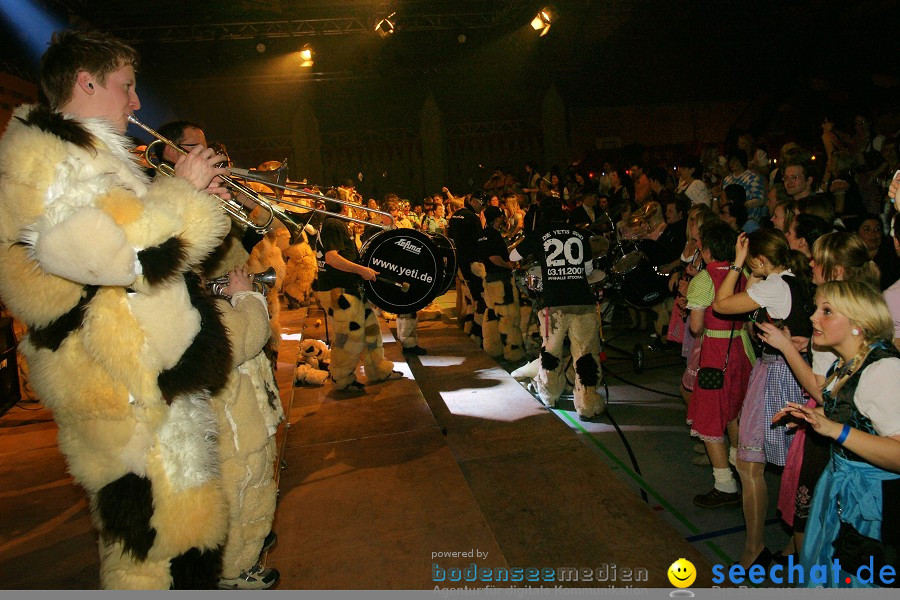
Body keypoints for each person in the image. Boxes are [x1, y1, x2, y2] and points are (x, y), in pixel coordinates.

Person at [0, 30, 233, 589]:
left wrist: (188, 198)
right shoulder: (48, 160)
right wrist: (184, 194)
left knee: (179, 534)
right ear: (86, 82)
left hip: (144, 383)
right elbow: (111, 257)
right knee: (144, 549)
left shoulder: (91, 156)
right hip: (115, 387)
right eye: (126, 87)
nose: (135, 102)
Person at [156, 121, 284, 589]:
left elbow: (254, 236)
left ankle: (245, 551)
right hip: (222, 357)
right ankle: (235, 569)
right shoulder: (165, 209)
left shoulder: (198, 201)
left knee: (252, 471)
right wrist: (245, 300)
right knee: (238, 478)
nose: (209, 155)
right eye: (196, 148)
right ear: (167, 153)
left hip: (238, 341)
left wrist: (241, 202)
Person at [766, 281, 900, 588]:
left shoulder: (884, 371)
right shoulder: (848, 362)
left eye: (826, 311)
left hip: (874, 503)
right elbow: (859, 416)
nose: (814, 317)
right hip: (843, 484)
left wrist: (834, 429)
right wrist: (814, 416)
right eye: (816, 309)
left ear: (859, 324)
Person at [712, 229, 815, 569]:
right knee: (795, 466)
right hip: (794, 374)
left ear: (758, 259)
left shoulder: (772, 285)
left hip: (777, 375)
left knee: (749, 464)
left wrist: (736, 264)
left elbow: (722, 305)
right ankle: (793, 544)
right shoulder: (797, 280)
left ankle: (754, 548)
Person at [511, 204, 604, 420]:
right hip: (582, 303)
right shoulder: (581, 234)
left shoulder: (540, 234)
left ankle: (549, 394)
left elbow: (515, 256)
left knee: (551, 354)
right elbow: (588, 270)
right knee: (586, 356)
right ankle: (588, 403)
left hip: (554, 307)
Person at [686, 221, 754, 508]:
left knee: (711, 415)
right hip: (743, 349)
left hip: (717, 351)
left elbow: (696, 326)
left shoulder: (704, 279)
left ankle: (724, 483)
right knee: (735, 412)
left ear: (710, 249)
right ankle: (742, 467)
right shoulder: (745, 273)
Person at [314, 196, 400, 392]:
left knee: (370, 330)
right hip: (339, 291)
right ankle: (341, 378)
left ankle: (378, 369)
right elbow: (332, 258)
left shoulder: (332, 223)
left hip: (349, 288)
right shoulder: (334, 223)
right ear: (344, 206)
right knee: (349, 337)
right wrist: (362, 270)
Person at [476, 206, 524, 361]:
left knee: (492, 314)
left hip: (489, 280)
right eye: (500, 217)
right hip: (501, 281)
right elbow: (493, 257)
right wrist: (507, 264)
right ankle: (513, 353)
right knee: (508, 317)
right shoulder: (494, 235)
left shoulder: (482, 235)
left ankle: (493, 349)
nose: (502, 219)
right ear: (496, 219)